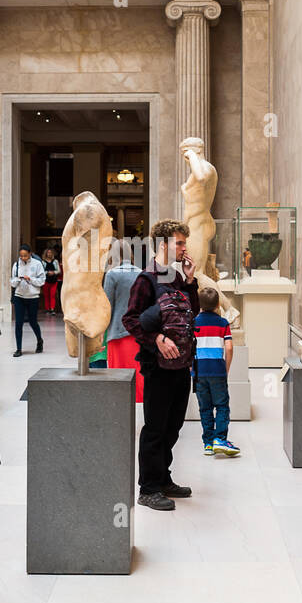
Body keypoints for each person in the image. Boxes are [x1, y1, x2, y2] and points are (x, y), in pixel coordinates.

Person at [121, 219, 199, 512]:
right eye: (179, 243)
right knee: (155, 427)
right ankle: (149, 488)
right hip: (157, 366)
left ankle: (163, 478)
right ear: (163, 244)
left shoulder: (177, 278)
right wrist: (157, 340)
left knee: (174, 425)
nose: (184, 248)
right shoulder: (146, 279)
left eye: (184, 243)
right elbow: (130, 319)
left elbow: (193, 313)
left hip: (181, 364)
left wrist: (191, 281)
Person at [192, 285, 239, 457]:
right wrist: (226, 368)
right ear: (218, 304)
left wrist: (192, 368)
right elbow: (229, 347)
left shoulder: (194, 323)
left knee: (204, 408)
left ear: (199, 304)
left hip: (199, 373)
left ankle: (208, 443)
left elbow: (189, 348)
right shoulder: (223, 323)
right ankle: (220, 438)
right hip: (217, 371)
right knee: (221, 406)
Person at [103, 238, 144, 402]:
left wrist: (101, 332)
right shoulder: (141, 273)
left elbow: (107, 306)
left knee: (118, 379)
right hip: (139, 332)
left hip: (117, 332)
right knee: (139, 377)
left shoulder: (112, 274)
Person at [9, 243, 46, 356]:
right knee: (18, 323)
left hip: (33, 297)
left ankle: (39, 340)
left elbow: (42, 280)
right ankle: (19, 349)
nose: (23, 258)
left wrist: (30, 279)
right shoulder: (16, 265)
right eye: (21, 256)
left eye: (25, 255)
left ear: (30, 254)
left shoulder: (37, 264)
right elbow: (12, 282)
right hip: (19, 296)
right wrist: (18, 280)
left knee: (33, 322)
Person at [41, 246, 61, 314]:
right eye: (48, 253)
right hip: (46, 280)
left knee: (52, 295)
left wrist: (53, 272)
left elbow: (59, 270)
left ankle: (52, 309)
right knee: (46, 295)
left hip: (54, 280)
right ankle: (47, 309)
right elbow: (41, 271)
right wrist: (47, 272)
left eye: (50, 253)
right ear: (46, 253)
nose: (49, 254)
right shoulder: (43, 262)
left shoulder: (55, 261)